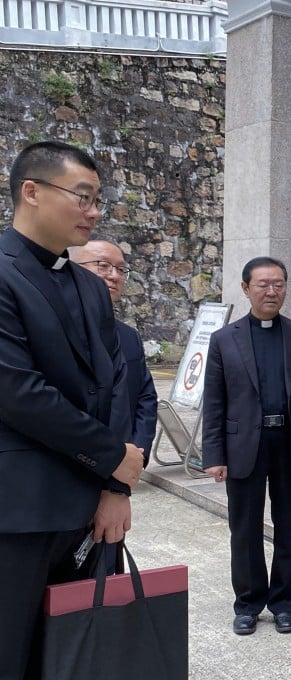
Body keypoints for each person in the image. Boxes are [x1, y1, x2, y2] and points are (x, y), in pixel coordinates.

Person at [0, 141, 144, 679]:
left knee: (80, 655)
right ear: (31, 192)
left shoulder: (87, 285)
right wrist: (113, 458)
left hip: (90, 512)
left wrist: (115, 488)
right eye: (82, 196)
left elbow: (115, 386)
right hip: (19, 512)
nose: (94, 211)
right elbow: (18, 393)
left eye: (98, 199)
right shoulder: (4, 273)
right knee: (12, 654)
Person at [202, 257, 291, 636]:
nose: (271, 291)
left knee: (290, 528)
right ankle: (248, 603)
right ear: (245, 289)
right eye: (262, 284)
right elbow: (215, 402)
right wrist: (214, 455)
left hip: (288, 443)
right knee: (244, 530)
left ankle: (285, 604)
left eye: (278, 284)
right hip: (244, 446)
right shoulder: (224, 340)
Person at [70, 238, 158, 466]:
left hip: (122, 464)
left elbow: (145, 398)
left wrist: (138, 452)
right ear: (71, 268)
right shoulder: (52, 329)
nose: (114, 275)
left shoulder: (129, 336)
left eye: (121, 269)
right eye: (103, 265)